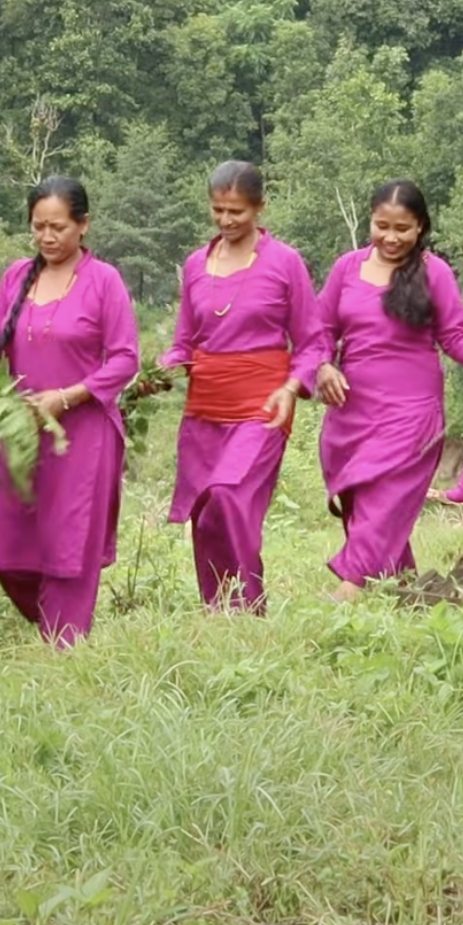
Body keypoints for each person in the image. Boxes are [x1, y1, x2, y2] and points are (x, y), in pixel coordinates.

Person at [316, 180, 463, 601]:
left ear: (421, 228)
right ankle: (408, 591)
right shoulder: (346, 269)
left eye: (403, 229)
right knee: (361, 502)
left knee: (385, 502)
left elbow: (459, 336)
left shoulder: (434, 272)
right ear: (370, 221)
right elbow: (318, 330)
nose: (391, 238)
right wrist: (321, 366)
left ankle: (346, 593)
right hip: (351, 412)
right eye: (381, 226)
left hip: (412, 413)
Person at [0, 175, 139, 647]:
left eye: (59, 227)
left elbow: (125, 358)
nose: (48, 238)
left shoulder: (103, 281)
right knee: (6, 547)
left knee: (70, 545)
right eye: (39, 227)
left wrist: (67, 397)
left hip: (83, 433)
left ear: (83, 225)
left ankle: (66, 653)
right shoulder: (16, 278)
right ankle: (53, 628)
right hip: (23, 431)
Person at [157, 160, 324, 611]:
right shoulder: (196, 264)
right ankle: (218, 611)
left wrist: (291, 389)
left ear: (259, 208)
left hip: (263, 406)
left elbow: (312, 342)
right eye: (218, 211)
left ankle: (249, 607)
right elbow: (184, 342)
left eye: (237, 212)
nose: (227, 221)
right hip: (204, 411)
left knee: (230, 498)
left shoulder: (284, 262)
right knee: (205, 514)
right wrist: (164, 369)